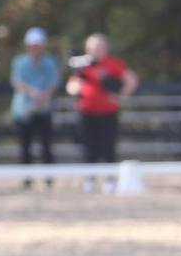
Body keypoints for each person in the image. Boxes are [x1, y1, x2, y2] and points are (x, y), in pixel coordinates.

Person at [66, 32, 138, 185]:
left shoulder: (113, 64)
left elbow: (131, 80)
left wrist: (120, 97)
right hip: (87, 113)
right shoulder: (82, 66)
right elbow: (71, 86)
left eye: (100, 47)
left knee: (108, 148)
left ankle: (110, 181)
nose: (96, 50)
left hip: (108, 113)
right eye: (93, 47)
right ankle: (89, 181)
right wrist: (76, 88)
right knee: (88, 149)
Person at [10, 26, 61, 185]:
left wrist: (42, 97)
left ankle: (48, 179)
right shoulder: (20, 62)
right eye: (33, 45)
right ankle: (27, 179)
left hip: (44, 109)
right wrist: (34, 94)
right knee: (25, 146)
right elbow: (18, 82)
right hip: (24, 111)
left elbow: (53, 83)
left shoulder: (50, 62)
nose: (35, 48)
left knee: (46, 145)